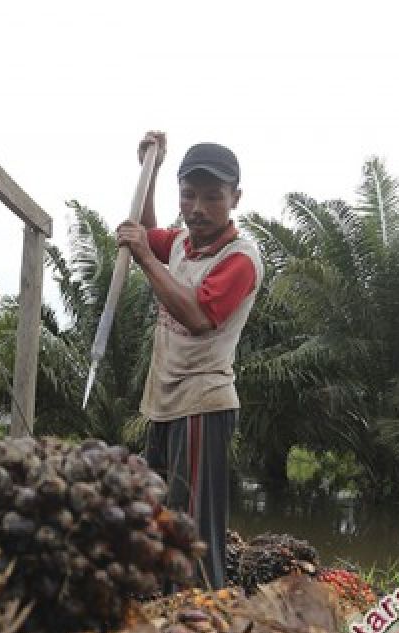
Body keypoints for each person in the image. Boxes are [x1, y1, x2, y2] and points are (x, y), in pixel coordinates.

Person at [115, 132, 263, 589]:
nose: (197, 207)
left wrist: (142, 254)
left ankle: (204, 619)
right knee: (158, 514)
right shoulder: (181, 243)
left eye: (212, 197)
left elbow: (198, 316)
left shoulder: (241, 258)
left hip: (203, 404)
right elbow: (149, 230)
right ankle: (166, 608)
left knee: (195, 529)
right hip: (164, 402)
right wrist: (150, 173)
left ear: (235, 198)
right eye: (189, 194)